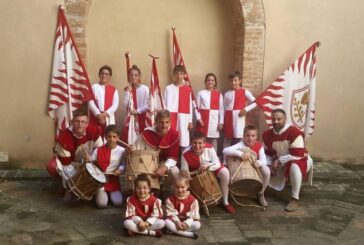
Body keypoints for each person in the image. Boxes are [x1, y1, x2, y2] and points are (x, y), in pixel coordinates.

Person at [262, 109, 313, 212]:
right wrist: (269, 164)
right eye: (273, 119)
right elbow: (266, 153)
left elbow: (298, 154)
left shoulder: (294, 133)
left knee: (294, 166)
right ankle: (260, 192)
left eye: (279, 119)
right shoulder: (267, 135)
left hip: (300, 160)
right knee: (262, 165)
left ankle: (295, 199)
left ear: (285, 119)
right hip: (281, 162)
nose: (275, 121)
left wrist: (280, 160)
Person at [50, 109, 103, 199]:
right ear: (72, 122)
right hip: (71, 162)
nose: (80, 124)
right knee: (51, 166)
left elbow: (100, 149)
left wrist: (91, 158)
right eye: (77, 121)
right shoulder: (65, 137)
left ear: (87, 123)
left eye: (83, 122)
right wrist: (73, 185)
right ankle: (64, 185)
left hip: (89, 159)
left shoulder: (94, 131)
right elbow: (67, 165)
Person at [181, 131, 236, 214]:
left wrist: (208, 166)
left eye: (200, 143)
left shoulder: (210, 148)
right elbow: (184, 170)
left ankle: (225, 202)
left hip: (212, 168)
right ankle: (190, 202)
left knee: (225, 172)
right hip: (195, 173)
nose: (197, 146)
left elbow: (217, 163)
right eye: (194, 143)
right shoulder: (185, 153)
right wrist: (187, 174)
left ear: (205, 143)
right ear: (191, 143)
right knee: (183, 179)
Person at [223, 125, 271, 207]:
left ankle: (261, 193)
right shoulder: (240, 144)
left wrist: (259, 162)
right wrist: (240, 154)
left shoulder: (259, 146)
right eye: (247, 135)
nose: (250, 138)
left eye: (253, 136)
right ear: (243, 136)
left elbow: (264, 161)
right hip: (241, 169)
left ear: (256, 137)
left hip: (254, 168)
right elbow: (225, 150)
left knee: (266, 171)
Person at [131, 109, 180, 178]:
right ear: (156, 122)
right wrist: (130, 150)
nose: (164, 125)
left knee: (175, 171)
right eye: (161, 122)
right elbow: (135, 150)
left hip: (163, 163)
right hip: (147, 162)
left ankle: (167, 188)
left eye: (167, 122)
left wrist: (164, 168)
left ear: (170, 122)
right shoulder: (146, 133)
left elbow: (173, 157)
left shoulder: (174, 135)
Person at [165, 65, 201, 150]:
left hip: (184, 118)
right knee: (171, 139)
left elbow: (189, 106)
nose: (179, 76)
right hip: (171, 117)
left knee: (183, 140)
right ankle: (171, 160)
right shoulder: (168, 88)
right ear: (174, 75)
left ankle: (182, 161)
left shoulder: (187, 89)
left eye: (181, 73)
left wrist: (190, 121)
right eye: (177, 73)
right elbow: (165, 104)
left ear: (184, 75)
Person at [90, 125, 125, 208]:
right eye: (109, 136)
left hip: (113, 182)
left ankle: (109, 194)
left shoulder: (122, 150)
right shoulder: (98, 150)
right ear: (105, 137)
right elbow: (90, 163)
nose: (111, 139)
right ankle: (99, 194)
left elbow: (124, 164)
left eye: (114, 137)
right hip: (100, 182)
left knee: (118, 203)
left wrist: (120, 169)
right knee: (102, 204)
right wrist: (87, 160)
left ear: (118, 137)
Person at [123, 174, 164, 238]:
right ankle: (152, 233)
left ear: (149, 189)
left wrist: (147, 223)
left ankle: (135, 231)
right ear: (135, 189)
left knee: (162, 223)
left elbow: (156, 215)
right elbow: (130, 215)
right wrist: (139, 221)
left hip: (148, 223)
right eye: (138, 188)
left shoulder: (155, 200)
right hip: (137, 222)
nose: (142, 191)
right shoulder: (131, 199)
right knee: (126, 223)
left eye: (145, 188)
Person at [223, 71, 256, 148]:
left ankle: (239, 158)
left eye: (235, 80)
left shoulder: (244, 91)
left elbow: (256, 102)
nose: (233, 82)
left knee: (239, 139)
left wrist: (245, 109)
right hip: (229, 120)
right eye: (231, 81)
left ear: (240, 81)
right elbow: (224, 108)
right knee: (227, 141)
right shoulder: (227, 94)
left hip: (239, 119)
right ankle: (225, 158)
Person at [195, 73, 224, 152]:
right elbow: (196, 108)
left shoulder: (219, 94)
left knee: (213, 140)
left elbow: (221, 109)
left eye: (212, 80)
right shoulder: (201, 93)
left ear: (215, 82)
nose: (210, 82)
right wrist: (198, 118)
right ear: (205, 82)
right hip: (203, 120)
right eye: (208, 80)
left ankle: (214, 159)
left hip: (214, 120)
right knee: (202, 139)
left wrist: (221, 122)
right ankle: (201, 156)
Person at [165, 175, 200, 239]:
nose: (180, 190)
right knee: (167, 222)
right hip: (175, 222)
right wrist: (177, 222)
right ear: (173, 187)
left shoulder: (193, 200)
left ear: (187, 186)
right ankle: (189, 234)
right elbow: (171, 213)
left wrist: (187, 223)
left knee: (197, 224)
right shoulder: (170, 200)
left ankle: (173, 231)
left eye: (182, 187)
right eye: (177, 187)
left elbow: (194, 215)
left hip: (187, 221)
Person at [121, 65, 149, 144]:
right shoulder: (128, 89)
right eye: (131, 75)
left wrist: (138, 111)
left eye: (136, 75)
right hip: (131, 119)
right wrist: (127, 92)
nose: (133, 77)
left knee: (142, 140)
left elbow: (149, 104)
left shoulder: (144, 88)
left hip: (142, 118)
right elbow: (125, 106)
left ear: (139, 76)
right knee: (131, 140)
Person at [89, 65, 119, 135]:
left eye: (106, 74)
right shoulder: (93, 87)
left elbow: (115, 105)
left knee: (108, 137)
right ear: (99, 75)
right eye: (102, 73)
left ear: (110, 76)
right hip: (95, 117)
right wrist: (98, 115)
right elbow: (90, 102)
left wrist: (105, 114)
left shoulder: (114, 89)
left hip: (108, 117)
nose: (104, 76)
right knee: (95, 137)